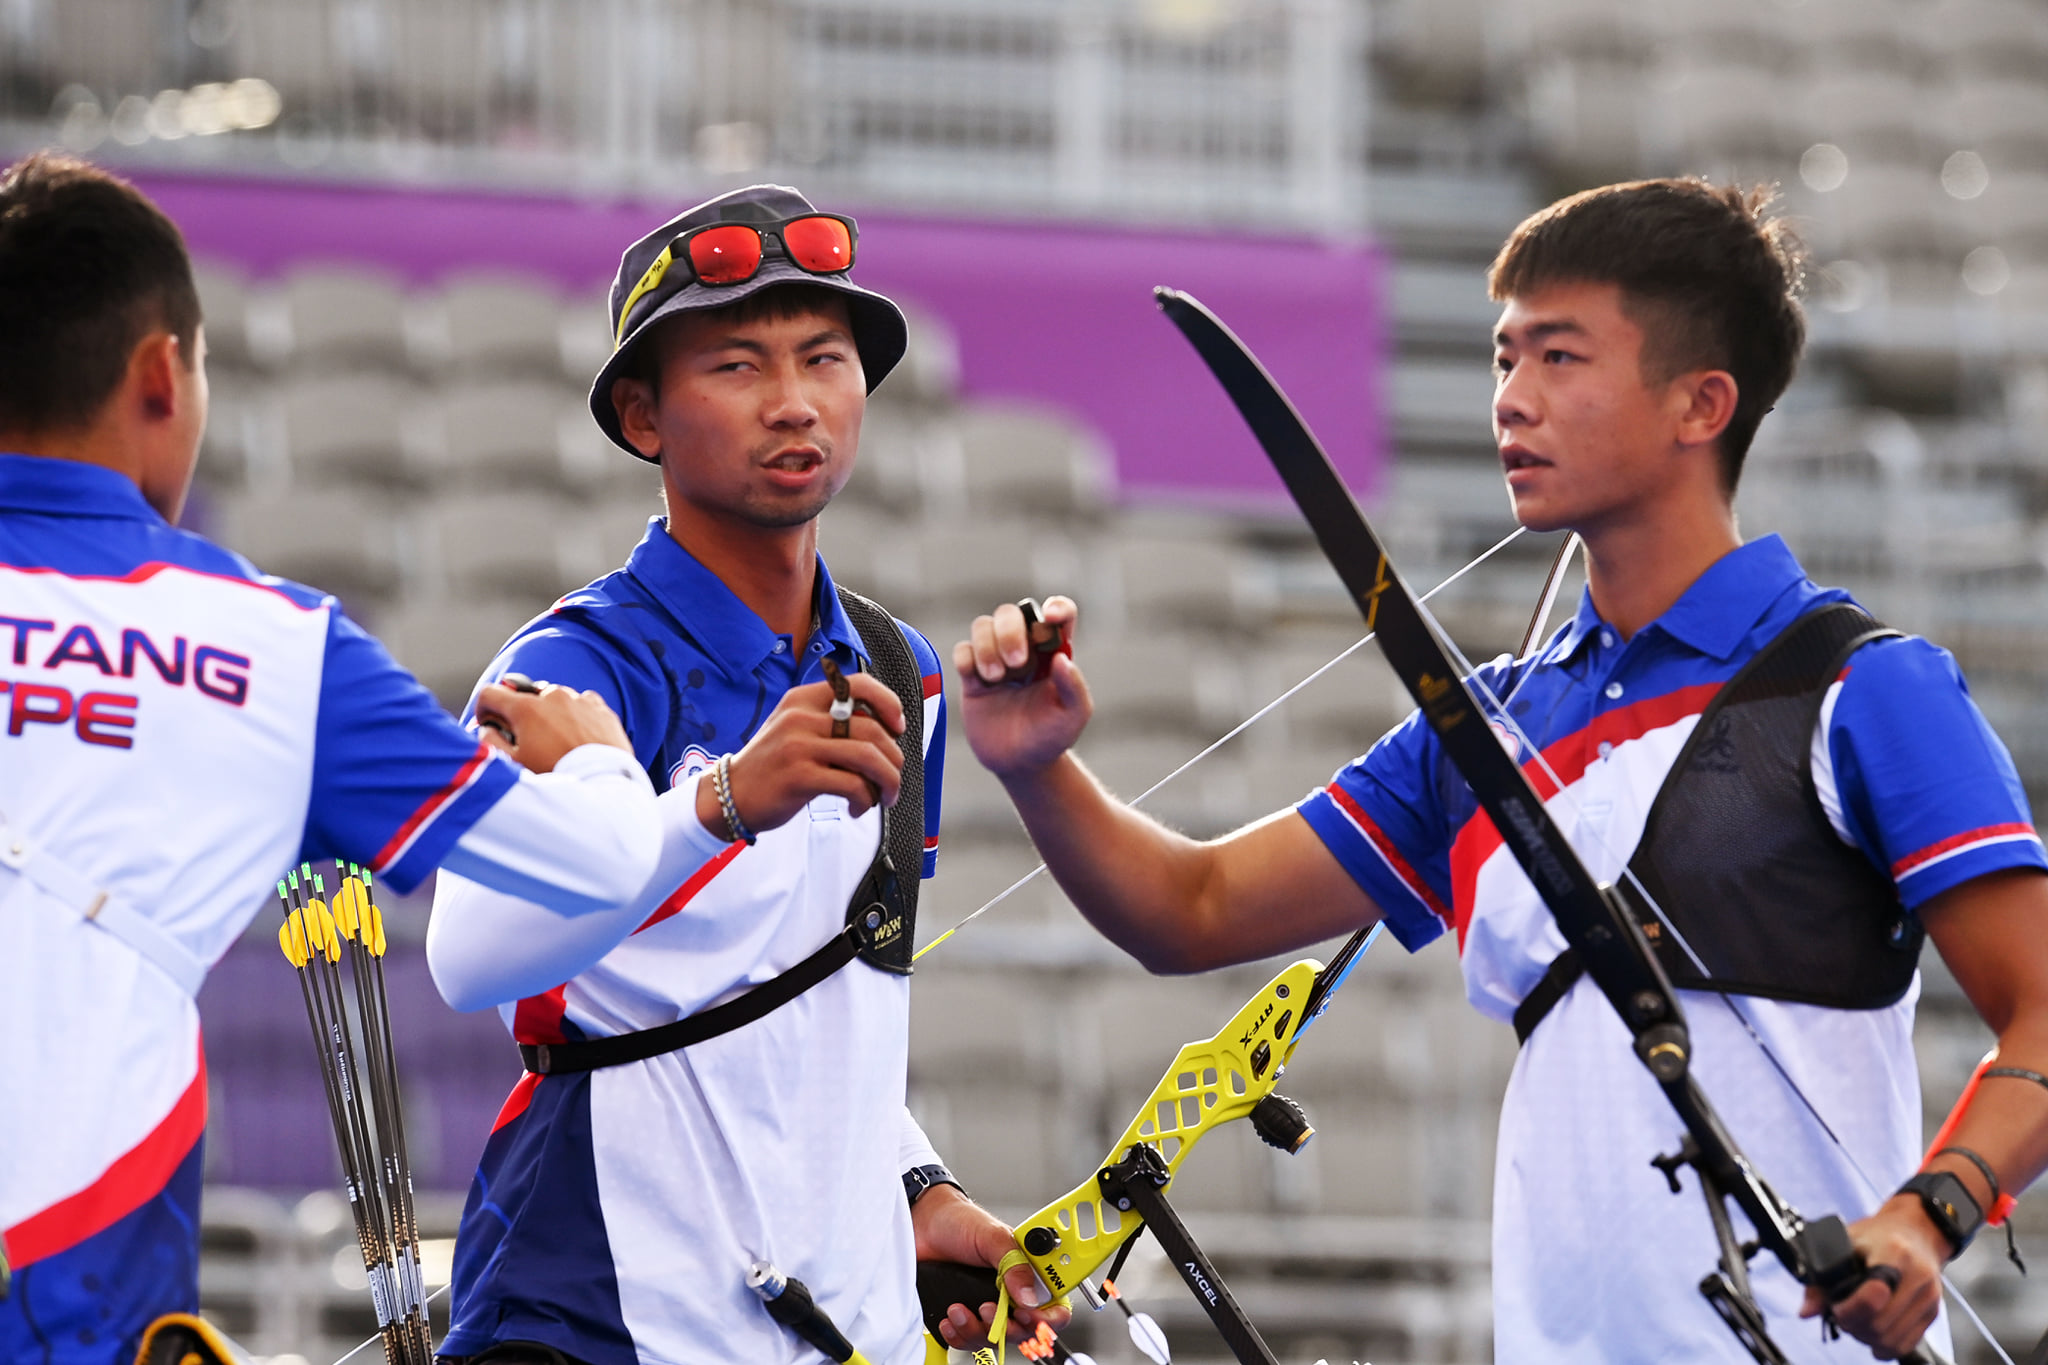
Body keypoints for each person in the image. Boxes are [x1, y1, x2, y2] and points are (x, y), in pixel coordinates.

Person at [955, 179, 2048, 1362]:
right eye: (1499, 358)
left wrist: (1930, 1216)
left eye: (1559, 358)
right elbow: (1190, 907)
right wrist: (1035, 769)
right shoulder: (1481, 722)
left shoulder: (1857, 685)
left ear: (1700, 404)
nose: (1510, 402)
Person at [0, 153, 672, 1365]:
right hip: (63, 1286)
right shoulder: (271, 649)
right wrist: (597, 760)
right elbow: (597, 873)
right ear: (165, 375)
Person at [425, 184, 1064, 1365]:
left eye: (823, 358)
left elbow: (826, 997)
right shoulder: (570, 671)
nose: (793, 403)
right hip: (590, 1314)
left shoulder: (894, 668)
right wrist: (717, 805)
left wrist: (913, 1191)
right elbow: (467, 958)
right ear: (643, 414)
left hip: (826, 1325)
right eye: (735, 366)